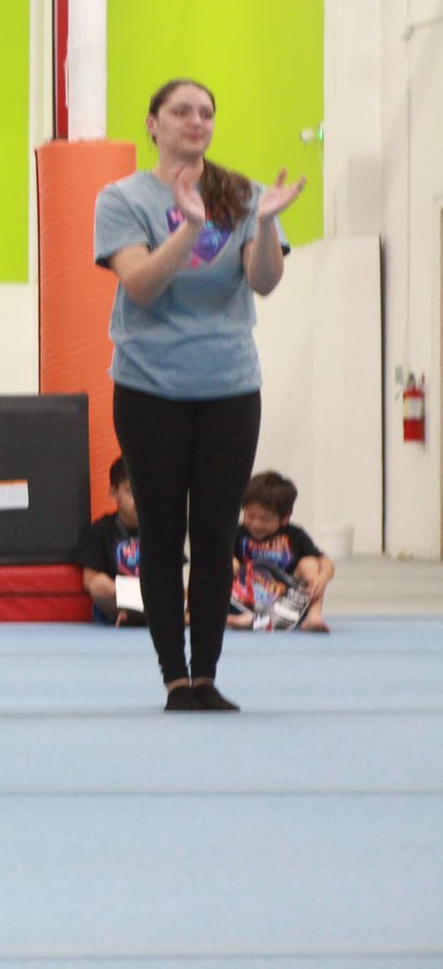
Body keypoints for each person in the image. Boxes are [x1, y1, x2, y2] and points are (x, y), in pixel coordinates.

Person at [95, 77, 303, 712]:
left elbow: (262, 282)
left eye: (206, 113)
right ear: (153, 123)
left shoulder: (239, 193)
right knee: (162, 532)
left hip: (229, 385)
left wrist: (263, 225)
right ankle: (173, 677)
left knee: (215, 532)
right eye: (181, 111)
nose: (196, 121)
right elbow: (141, 286)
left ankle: (206, 674)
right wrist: (187, 228)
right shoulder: (122, 196)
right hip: (150, 386)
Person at [231, 470, 333, 633]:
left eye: (265, 519)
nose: (256, 524)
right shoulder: (238, 533)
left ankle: (313, 616)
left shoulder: (293, 535)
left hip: (285, 606)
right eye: (250, 516)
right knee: (225, 561)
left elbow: (325, 561)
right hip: (242, 602)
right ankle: (244, 617)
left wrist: (322, 579)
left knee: (310, 563)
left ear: (285, 517)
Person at [75, 457, 146, 627]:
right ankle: (136, 616)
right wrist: (128, 593)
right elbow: (90, 580)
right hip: (121, 599)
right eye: (131, 491)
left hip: (152, 594)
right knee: (100, 585)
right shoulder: (100, 529)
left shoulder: (162, 528)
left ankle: (145, 617)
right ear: (113, 492)